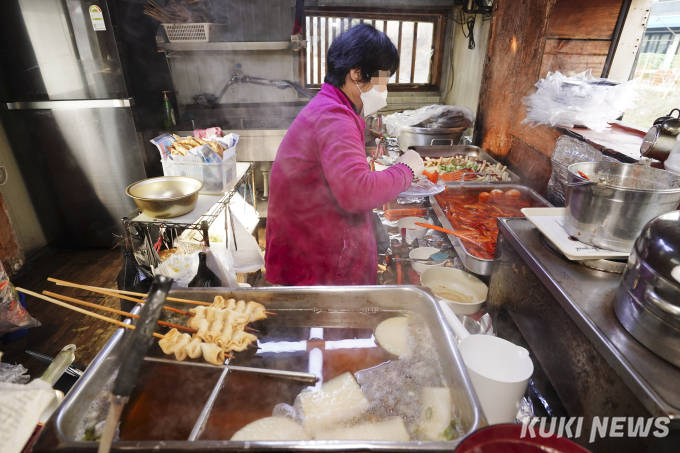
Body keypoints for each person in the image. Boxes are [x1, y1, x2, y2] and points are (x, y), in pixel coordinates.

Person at [265, 23, 424, 286]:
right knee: (327, 327)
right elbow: (357, 192)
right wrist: (404, 171)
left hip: (315, 247)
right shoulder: (334, 116)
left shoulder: (332, 106)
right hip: (318, 262)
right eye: (382, 79)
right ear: (356, 73)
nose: (385, 89)